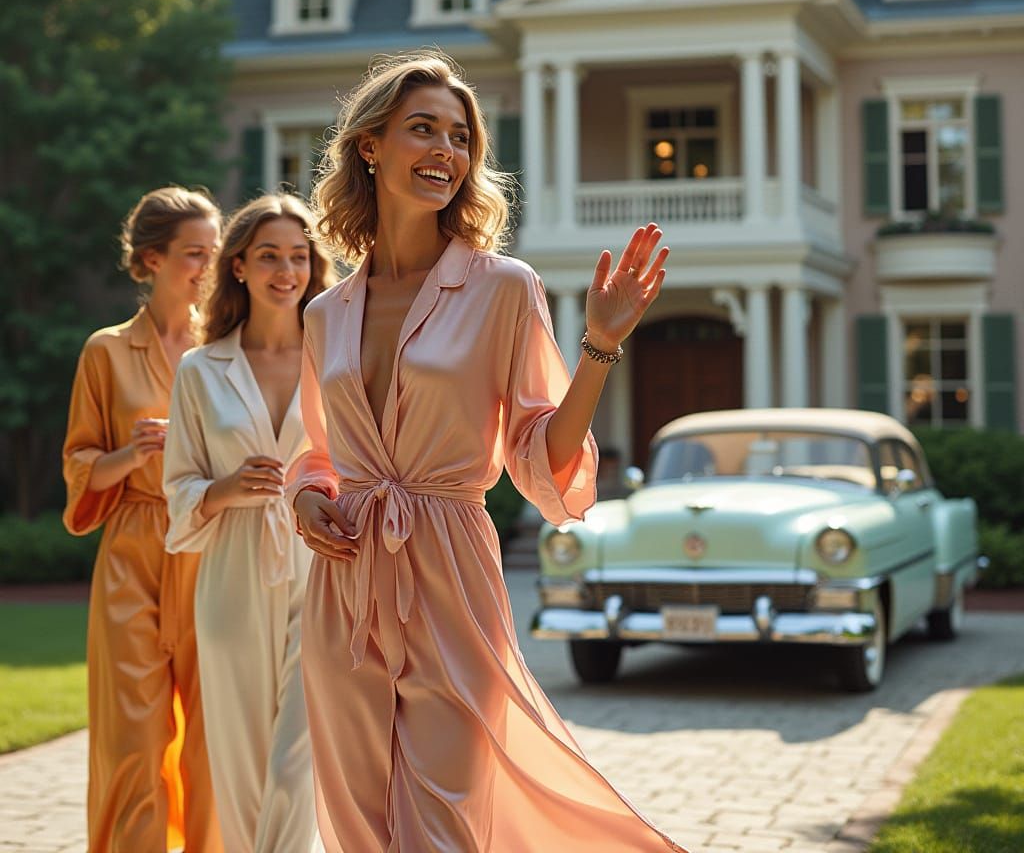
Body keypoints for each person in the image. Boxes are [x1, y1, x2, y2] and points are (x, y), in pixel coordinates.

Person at [288, 51, 687, 852]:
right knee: (357, 827)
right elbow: (314, 451)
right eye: (423, 130)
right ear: (370, 145)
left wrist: (600, 349)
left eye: (461, 137)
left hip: (450, 574)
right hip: (344, 583)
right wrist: (305, 496)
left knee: (443, 825)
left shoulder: (504, 286)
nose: (446, 151)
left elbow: (540, 452)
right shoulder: (325, 312)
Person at [163, 193, 335, 853]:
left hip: (317, 569)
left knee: (296, 770)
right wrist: (223, 490)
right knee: (240, 774)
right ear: (238, 267)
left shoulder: (335, 361)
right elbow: (177, 488)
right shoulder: (200, 371)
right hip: (232, 578)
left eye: (298, 256)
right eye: (269, 256)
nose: (285, 270)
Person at [62, 186, 223, 852]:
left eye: (216, 254)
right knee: (135, 740)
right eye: (194, 254)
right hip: (132, 551)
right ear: (151, 260)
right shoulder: (105, 351)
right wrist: (130, 454)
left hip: (211, 551)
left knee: (214, 745)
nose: (209, 269)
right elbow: (78, 467)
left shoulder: (226, 351)